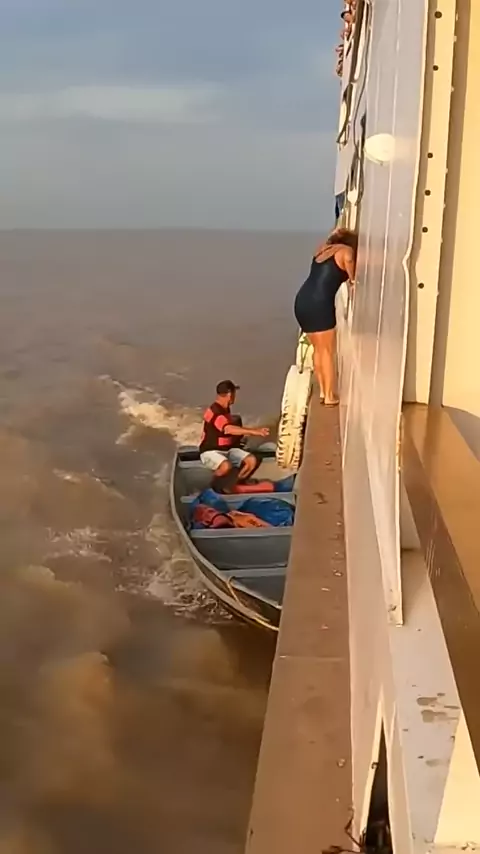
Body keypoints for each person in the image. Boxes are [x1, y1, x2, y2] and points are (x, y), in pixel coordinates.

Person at [294, 227, 357, 406]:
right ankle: (329, 396)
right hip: (320, 303)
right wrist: (353, 279)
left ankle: (323, 391)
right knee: (327, 351)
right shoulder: (347, 251)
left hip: (302, 301)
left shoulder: (322, 250)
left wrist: (336, 233)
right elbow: (350, 267)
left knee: (319, 350)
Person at [199, 380, 270, 480]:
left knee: (251, 461)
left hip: (227, 449)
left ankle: (236, 482)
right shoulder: (215, 411)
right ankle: (214, 484)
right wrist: (255, 431)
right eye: (234, 393)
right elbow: (228, 429)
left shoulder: (225, 408)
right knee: (226, 466)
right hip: (210, 451)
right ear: (230, 395)